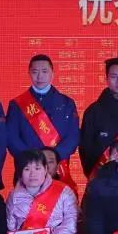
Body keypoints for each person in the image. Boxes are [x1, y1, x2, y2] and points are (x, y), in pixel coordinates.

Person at [6, 54, 81, 191]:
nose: (40, 76)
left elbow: (73, 136)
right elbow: (11, 138)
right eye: (35, 72)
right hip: (27, 171)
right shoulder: (17, 104)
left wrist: (53, 158)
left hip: (57, 169)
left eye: (44, 71)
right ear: (29, 73)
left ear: (52, 73)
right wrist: (32, 160)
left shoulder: (67, 103)